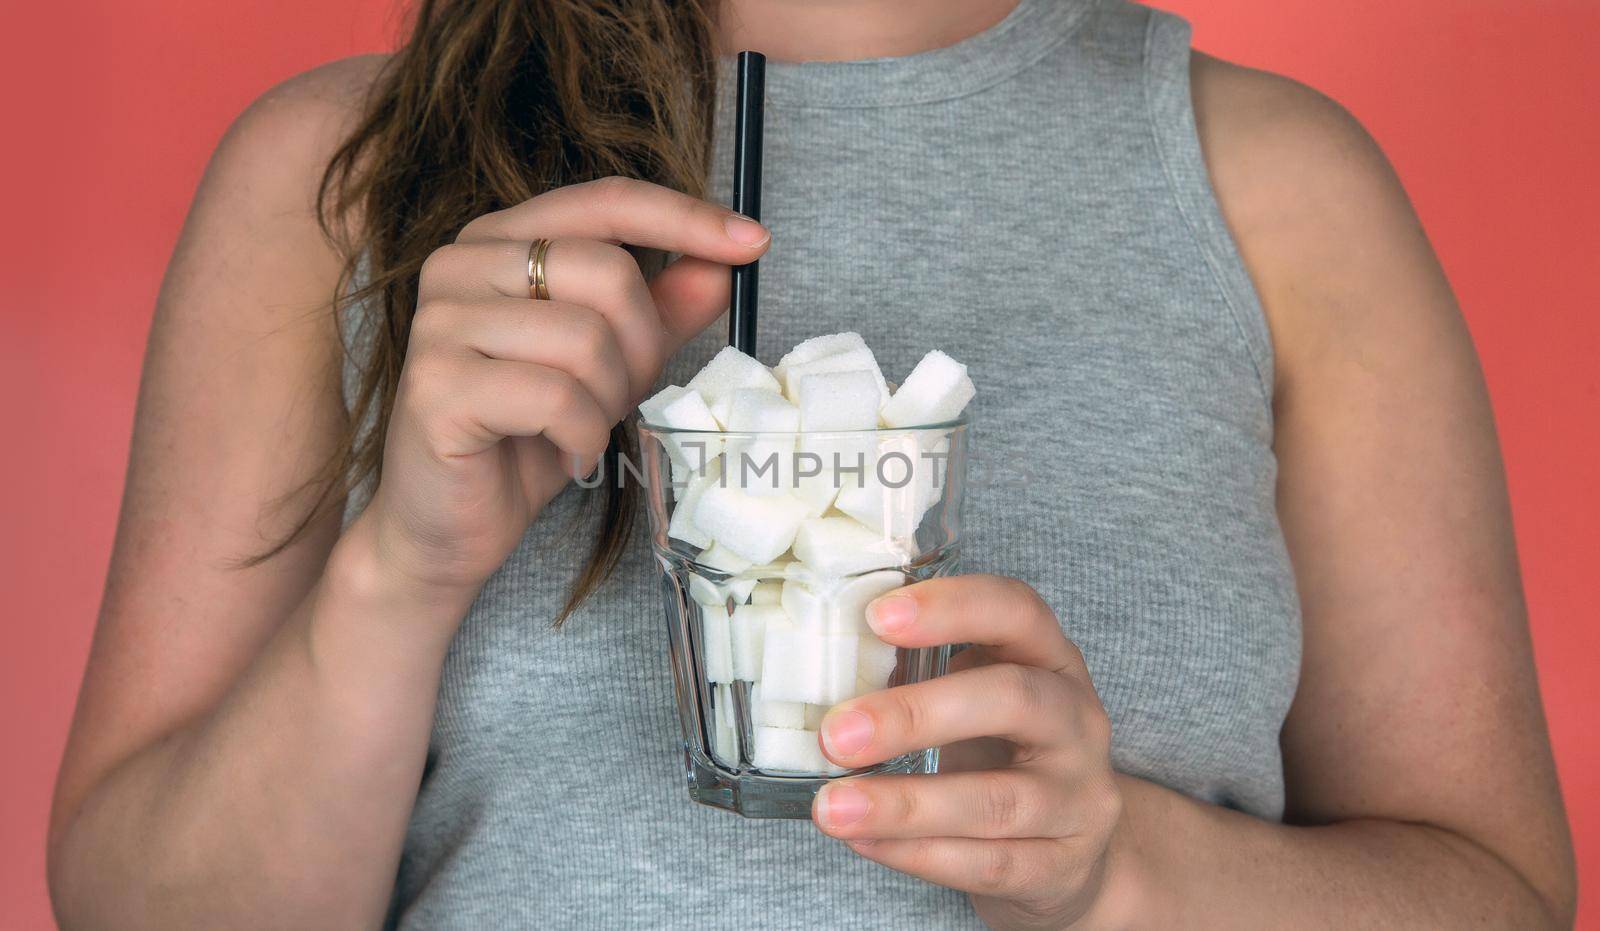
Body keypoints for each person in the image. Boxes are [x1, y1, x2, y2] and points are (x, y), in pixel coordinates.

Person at [46, 0, 1576, 927]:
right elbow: (142, 911)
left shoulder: (1279, 186)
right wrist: (402, 571)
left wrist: (1122, 875)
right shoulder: (339, 188)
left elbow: (1495, 900)